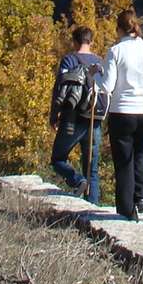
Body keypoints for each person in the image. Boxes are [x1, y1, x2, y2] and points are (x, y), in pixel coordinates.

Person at [95, 8, 143, 219]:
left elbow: (107, 86)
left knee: (123, 159)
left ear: (119, 29)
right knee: (141, 151)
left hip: (123, 111)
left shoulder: (115, 51)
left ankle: (126, 208)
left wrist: (96, 76)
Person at [48, 26, 103, 203]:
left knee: (58, 159)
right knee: (92, 169)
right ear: (91, 41)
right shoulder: (100, 62)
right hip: (94, 119)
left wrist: (54, 116)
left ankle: (77, 180)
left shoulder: (69, 60)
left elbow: (60, 90)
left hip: (71, 117)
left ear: (74, 41)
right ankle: (92, 209)